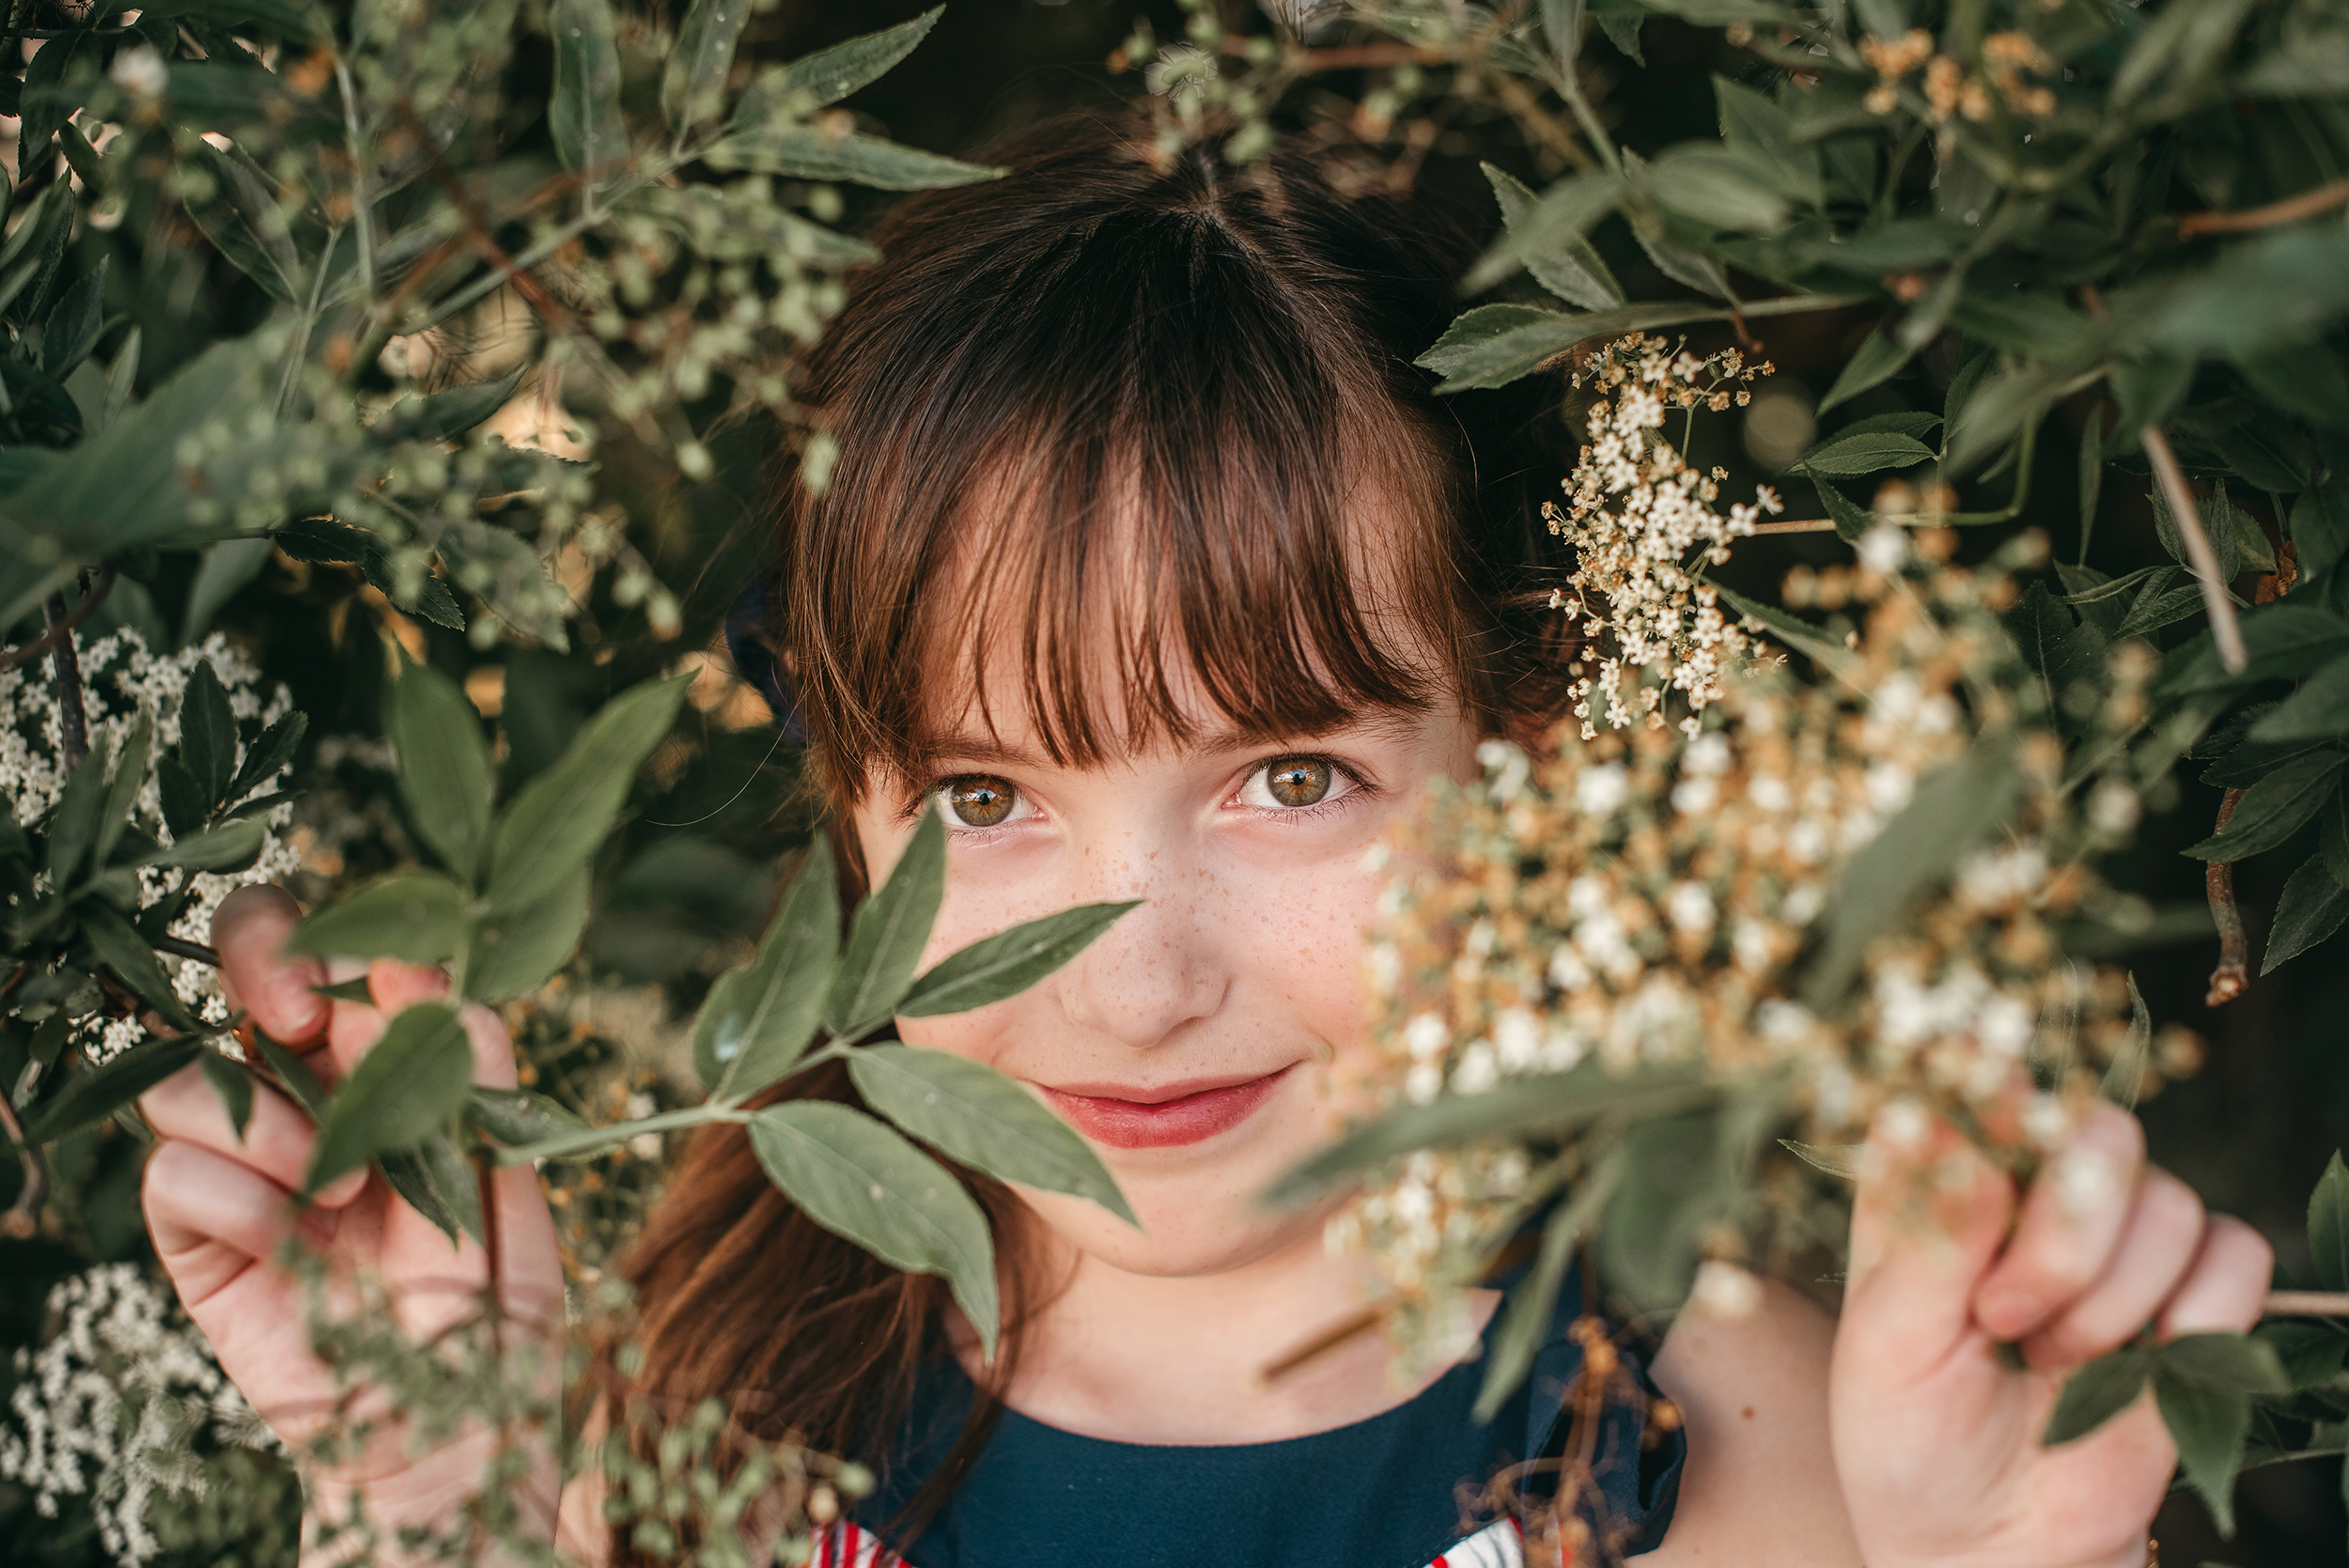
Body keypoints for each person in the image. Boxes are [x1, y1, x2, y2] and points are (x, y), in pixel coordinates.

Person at [137, 113, 2274, 1568]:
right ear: (850, 815)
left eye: (1288, 776)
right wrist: (431, 1495)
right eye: (984, 798)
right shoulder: (678, 1411)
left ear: (1516, 754)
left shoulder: (1763, 1450)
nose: (1130, 981)